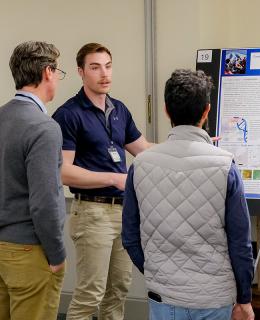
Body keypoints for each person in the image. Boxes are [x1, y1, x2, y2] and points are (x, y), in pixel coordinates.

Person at [122, 69, 255, 320]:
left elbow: (130, 237)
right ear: (206, 111)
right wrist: (245, 298)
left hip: (162, 295)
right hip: (215, 299)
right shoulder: (225, 165)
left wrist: (156, 273)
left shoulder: (140, 164)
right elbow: (240, 243)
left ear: (166, 111)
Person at [52, 42, 152, 320]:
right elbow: (63, 172)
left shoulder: (118, 109)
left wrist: (192, 144)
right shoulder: (68, 114)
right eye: (95, 67)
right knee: (89, 294)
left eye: (107, 66)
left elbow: (144, 149)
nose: (104, 74)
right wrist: (115, 178)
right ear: (81, 72)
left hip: (123, 212)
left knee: (118, 290)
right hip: (92, 213)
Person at [0, 41, 66, 320]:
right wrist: (57, 255)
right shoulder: (43, 128)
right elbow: (45, 203)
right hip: (30, 252)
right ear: (48, 72)